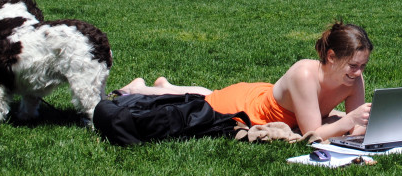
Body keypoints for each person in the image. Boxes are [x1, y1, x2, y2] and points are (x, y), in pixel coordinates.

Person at [117, 22, 373, 140]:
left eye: (362, 66)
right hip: (250, 109)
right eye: (353, 65)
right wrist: (349, 120)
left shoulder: (353, 79)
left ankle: (166, 87)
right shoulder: (305, 73)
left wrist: (354, 123)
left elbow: (356, 132)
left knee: (209, 94)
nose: (358, 72)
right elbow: (312, 133)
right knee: (208, 101)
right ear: (330, 56)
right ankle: (143, 89)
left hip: (263, 95)